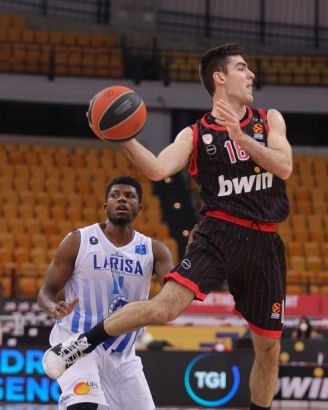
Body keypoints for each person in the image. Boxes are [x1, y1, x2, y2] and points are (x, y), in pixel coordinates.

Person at [43, 42, 292, 410]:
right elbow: (159, 169)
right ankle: (81, 343)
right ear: (220, 77)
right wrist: (123, 137)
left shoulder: (268, 119)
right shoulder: (195, 134)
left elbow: (283, 166)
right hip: (218, 232)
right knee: (164, 308)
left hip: (264, 242)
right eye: (242, 67)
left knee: (269, 346)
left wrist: (239, 137)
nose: (251, 74)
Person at [37, 176, 173, 410]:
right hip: (77, 345)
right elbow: (45, 291)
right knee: (85, 405)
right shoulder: (78, 240)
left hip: (123, 355)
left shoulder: (155, 251)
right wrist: (54, 307)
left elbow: (174, 294)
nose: (121, 200)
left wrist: (193, 258)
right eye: (115, 195)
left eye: (129, 196)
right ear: (105, 205)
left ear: (140, 208)